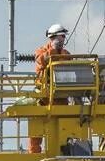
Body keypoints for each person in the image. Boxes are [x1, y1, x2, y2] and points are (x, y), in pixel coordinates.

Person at [29, 23, 74, 153]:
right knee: (37, 129)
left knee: (66, 127)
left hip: (61, 96)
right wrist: (53, 50)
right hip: (44, 97)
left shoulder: (66, 53)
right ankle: (34, 154)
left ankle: (65, 151)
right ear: (53, 37)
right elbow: (41, 61)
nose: (63, 39)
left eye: (64, 37)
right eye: (61, 36)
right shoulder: (41, 51)